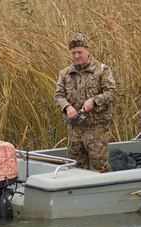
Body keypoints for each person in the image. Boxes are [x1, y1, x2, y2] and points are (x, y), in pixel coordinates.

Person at [54, 33, 117, 172]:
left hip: (97, 129)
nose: (76, 56)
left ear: (88, 51)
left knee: (99, 167)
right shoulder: (65, 73)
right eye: (73, 53)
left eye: (80, 52)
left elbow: (112, 93)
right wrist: (67, 107)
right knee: (76, 167)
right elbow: (58, 96)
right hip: (75, 129)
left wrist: (94, 101)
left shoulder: (102, 70)